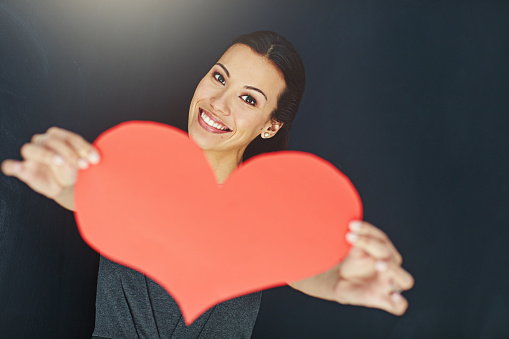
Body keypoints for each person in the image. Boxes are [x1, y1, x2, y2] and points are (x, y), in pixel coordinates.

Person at [1, 31, 414, 337]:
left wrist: (340, 281)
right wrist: (58, 182)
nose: (218, 103)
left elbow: (305, 269)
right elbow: (84, 195)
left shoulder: (270, 214)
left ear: (271, 126)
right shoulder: (134, 172)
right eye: (220, 78)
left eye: (248, 99)